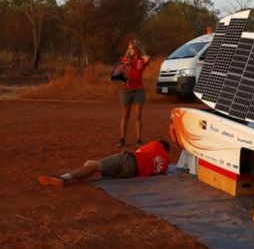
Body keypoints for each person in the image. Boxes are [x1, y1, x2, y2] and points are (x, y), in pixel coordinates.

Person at [38, 140, 171, 187]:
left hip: (129, 159)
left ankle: (63, 177)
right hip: (130, 174)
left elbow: (138, 150)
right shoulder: (165, 164)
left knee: (92, 164)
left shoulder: (156, 145)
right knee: (94, 167)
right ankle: (75, 178)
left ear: (160, 144)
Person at [119, 39, 151, 148]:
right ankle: (122, 139)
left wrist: (139, 54)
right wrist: (127, 59)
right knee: (125, 115)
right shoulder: (126, 59)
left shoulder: (142, 60)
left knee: (137, 116)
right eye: (129, 48)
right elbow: (121, 68)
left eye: (132, 48)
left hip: (138, 90)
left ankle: (139, 140)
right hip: (126, 89)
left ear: (137, 49)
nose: (130, 50)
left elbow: (148, 58)